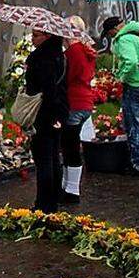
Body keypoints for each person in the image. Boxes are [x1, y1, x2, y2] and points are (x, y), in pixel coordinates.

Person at [101, 16, 139, 175]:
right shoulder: (138, 35)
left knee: (135, 127)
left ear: (114, 29)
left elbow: (131, 62)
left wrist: (121, 78)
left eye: (109, 33)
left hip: (135, 87)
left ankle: (138, 165)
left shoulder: (124, 40)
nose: (110, 36)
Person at [23, 28, 68, 213]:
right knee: (53, 156)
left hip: (44, 112)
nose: (32, 39)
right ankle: (53, 199)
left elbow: (46, 88)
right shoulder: (61, 55)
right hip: (59, 110)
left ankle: (44, 203)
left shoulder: (42, 58)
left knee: (44, 159)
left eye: (36, 35)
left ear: (47, 36)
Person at [61, 16, 96, 205]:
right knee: (70, 144)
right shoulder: (86, 49)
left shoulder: (73, 52)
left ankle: (72, 189)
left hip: (74, 102)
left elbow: (67, 77)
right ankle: (68, 186)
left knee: (70, 146)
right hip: (85, 102)